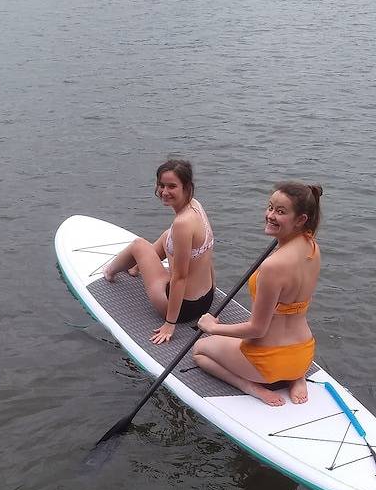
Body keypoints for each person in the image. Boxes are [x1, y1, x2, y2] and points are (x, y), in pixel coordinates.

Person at [194, 182, 322, 406]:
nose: (270, 215)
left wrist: (212, 327)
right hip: (304, 355)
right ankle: (296, 379)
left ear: (301, 219)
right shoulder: (312, 247)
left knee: (199, 351)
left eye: (280, 212)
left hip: (267, 363)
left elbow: (257, 329)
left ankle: (250, 387)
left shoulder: (273, 266)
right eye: (270, 207)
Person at [103, 160, 215, 344]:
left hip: (182, 308)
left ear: (186, 187)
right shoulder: (196, 206)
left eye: (172, 186)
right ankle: (135, 268)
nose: (164, 192)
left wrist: (170, 324)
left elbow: (180, 277)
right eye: (161, 185)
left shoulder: (182, 224)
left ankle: (109, 272)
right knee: (167, 235)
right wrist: (213, 294)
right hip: (206, 299)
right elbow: (208, 254)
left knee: (139, 244)